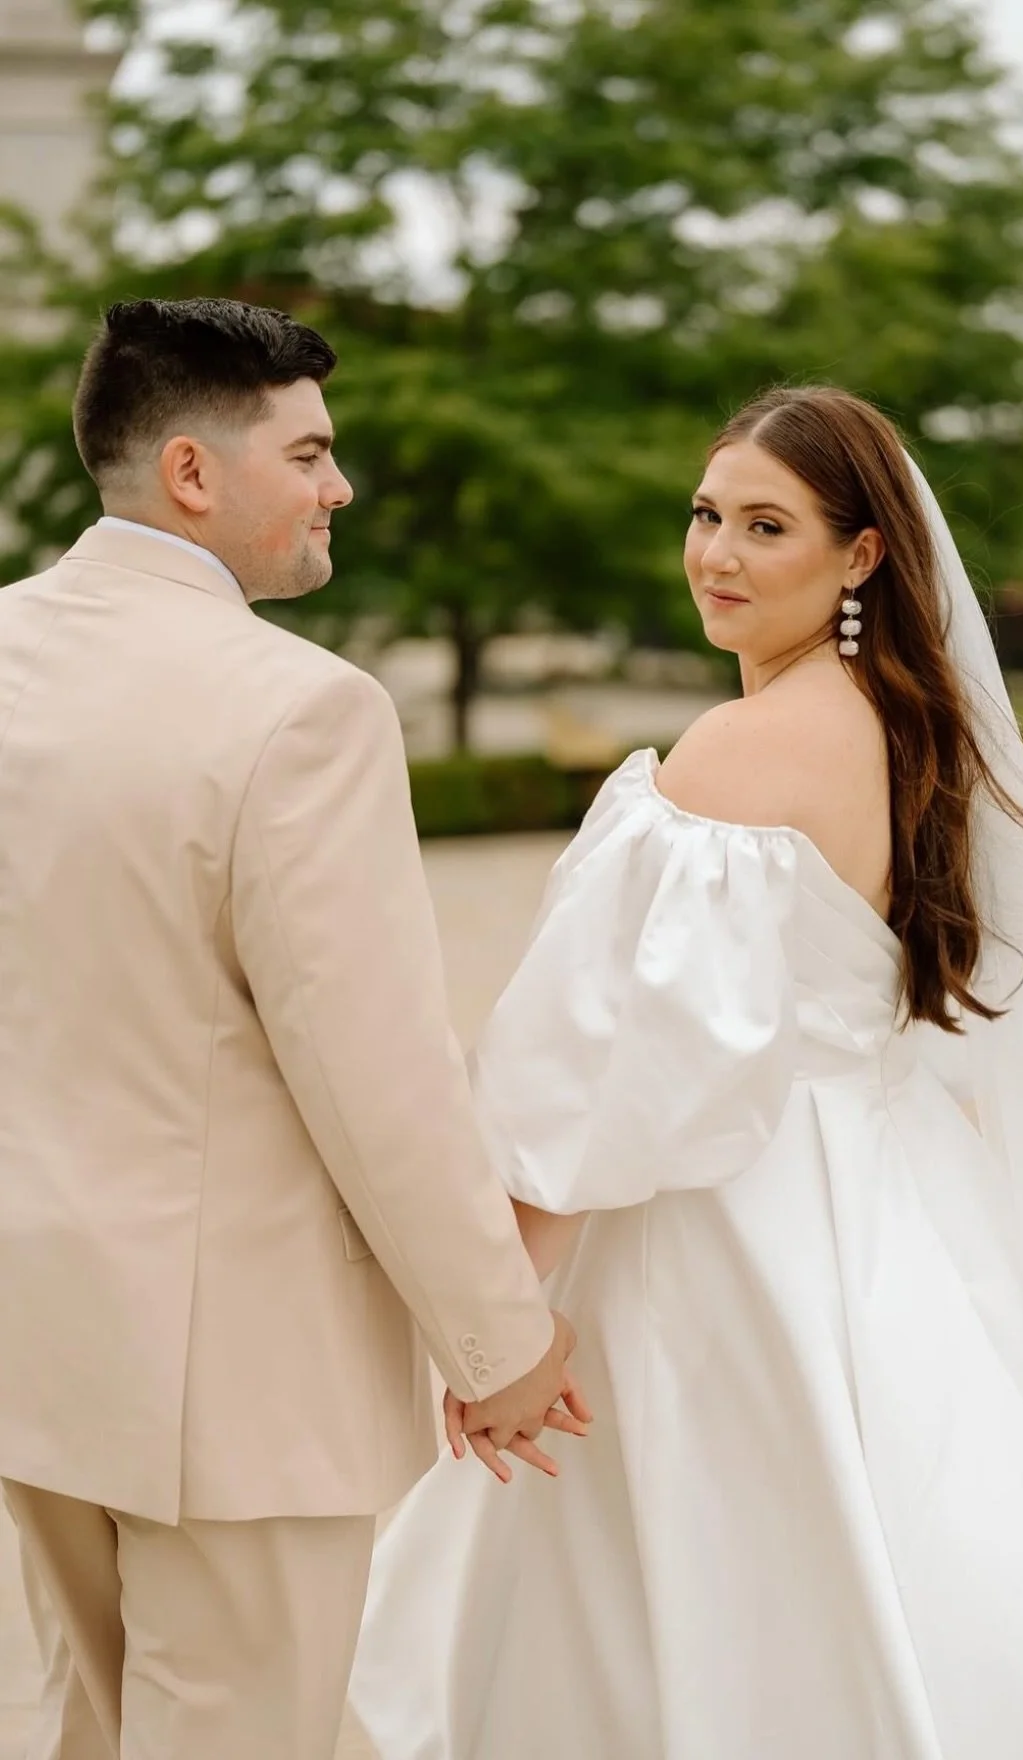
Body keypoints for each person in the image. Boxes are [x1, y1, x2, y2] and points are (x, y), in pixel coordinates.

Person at [352, 385, 1023, 1759]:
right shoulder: (897, 725)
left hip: (727, 1234)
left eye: (767, 526)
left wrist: (500, 1323)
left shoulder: (743, 750)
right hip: (886, 1193)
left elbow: (606, 1080)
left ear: (861, 553)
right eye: (706, 515)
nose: (717, 554)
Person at [0, 296, 585, 1760]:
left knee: (91, 1730)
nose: (343, 488)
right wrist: (499, 1341)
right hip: (233, 1385)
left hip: (36, 1343)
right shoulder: (302, 712)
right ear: (193, 472)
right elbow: (377, 1080)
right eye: (312, 454)